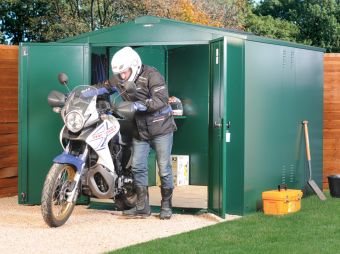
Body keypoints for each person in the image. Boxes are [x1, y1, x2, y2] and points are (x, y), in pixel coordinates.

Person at [97, 47, 177, 219]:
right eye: (119, 74)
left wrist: (137, 105)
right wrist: (88, 92)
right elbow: (104, 87)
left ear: (134, 65)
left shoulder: (152, 75)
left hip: (161, 128)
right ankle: (142, 207)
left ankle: (166, 207)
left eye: (125, 73)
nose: (122, 77)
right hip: (139, 130)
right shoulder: (119, 78)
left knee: (164, 168)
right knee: (138, 167)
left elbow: (161, 100)